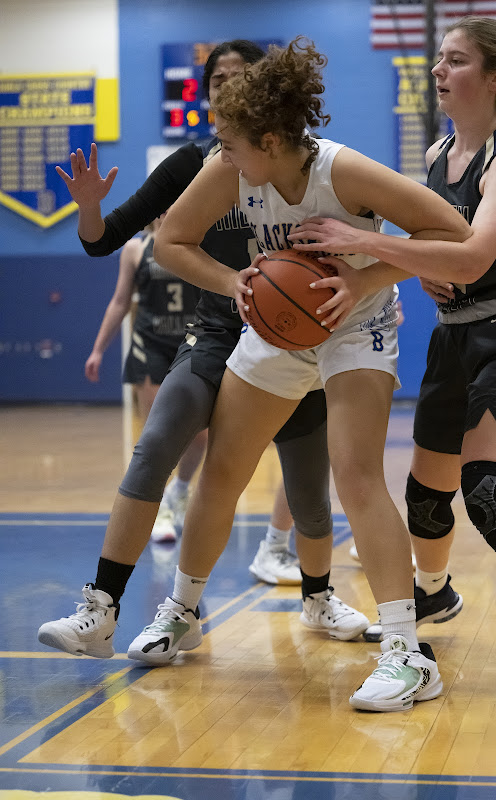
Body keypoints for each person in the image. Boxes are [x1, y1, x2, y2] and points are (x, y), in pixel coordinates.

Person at [144, 36, 471, 712]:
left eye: (231, 144)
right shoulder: (230, 169)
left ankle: (406, 655)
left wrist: (365, 276)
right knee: (225, 468)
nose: (222, 154)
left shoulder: (345, 173)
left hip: (357, 323)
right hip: (277, 325)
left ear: (268, 139)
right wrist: (233, 279)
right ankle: (181, 609)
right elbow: (170, 243)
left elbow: (454, 234)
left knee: (354, 474)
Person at [288, 18, 496, 711]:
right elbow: (424, 253)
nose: (437, 69)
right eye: (438, 58)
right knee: (427, 500)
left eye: (454, 60)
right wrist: (360, 278)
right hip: (454, 336)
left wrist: (360, 241)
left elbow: (470, 258)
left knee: (487, 495)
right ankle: (433, 595)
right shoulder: (436, 154)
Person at [37, 40, 372, 667]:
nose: (227, 88)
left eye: (241, 79)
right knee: (156, 442)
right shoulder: (198, 163)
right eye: (218, 79)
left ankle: (319, 596)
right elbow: (108, 240)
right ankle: (101, 609)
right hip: (220, 330)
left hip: (289, 338)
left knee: (307, 489)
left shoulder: (307, 167)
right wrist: (88, 210)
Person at [84, 216, 208, 543]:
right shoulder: (135, 249)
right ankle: (156, 510)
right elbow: (121, 301)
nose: (169, 211)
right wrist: (98, 350)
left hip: (193, 344)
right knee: (159, 433)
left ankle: (178, 492)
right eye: (164, 206)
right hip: (150, 345)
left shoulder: (201, 241)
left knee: (200, 435)